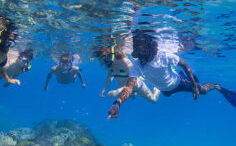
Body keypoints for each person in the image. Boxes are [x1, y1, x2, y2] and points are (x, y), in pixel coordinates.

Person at [107, 30, 236, 119]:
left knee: (202, 91)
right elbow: (129, 87)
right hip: (166, 90)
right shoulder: (136, 66)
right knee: (166, 94)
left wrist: (194, 86)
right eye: (136, 51)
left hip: (179, 83)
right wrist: (117, 103)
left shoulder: (163, 55)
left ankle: (216, 86)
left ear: (148, 48)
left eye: (140, 51)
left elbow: (185, 65)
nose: (137, 54)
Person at [92, 46, 160, 103]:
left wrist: (117, 91)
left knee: (154, 100)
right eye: (100, 59)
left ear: (109, 54)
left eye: (103, 57)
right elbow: (110, 76)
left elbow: (133, 79)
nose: (103, 61)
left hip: (137, 86)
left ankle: (158, 87)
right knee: (133, 97)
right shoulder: (109, 64)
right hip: (124, 88)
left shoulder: (123, 61)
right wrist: (104, 89)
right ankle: (133, 93)